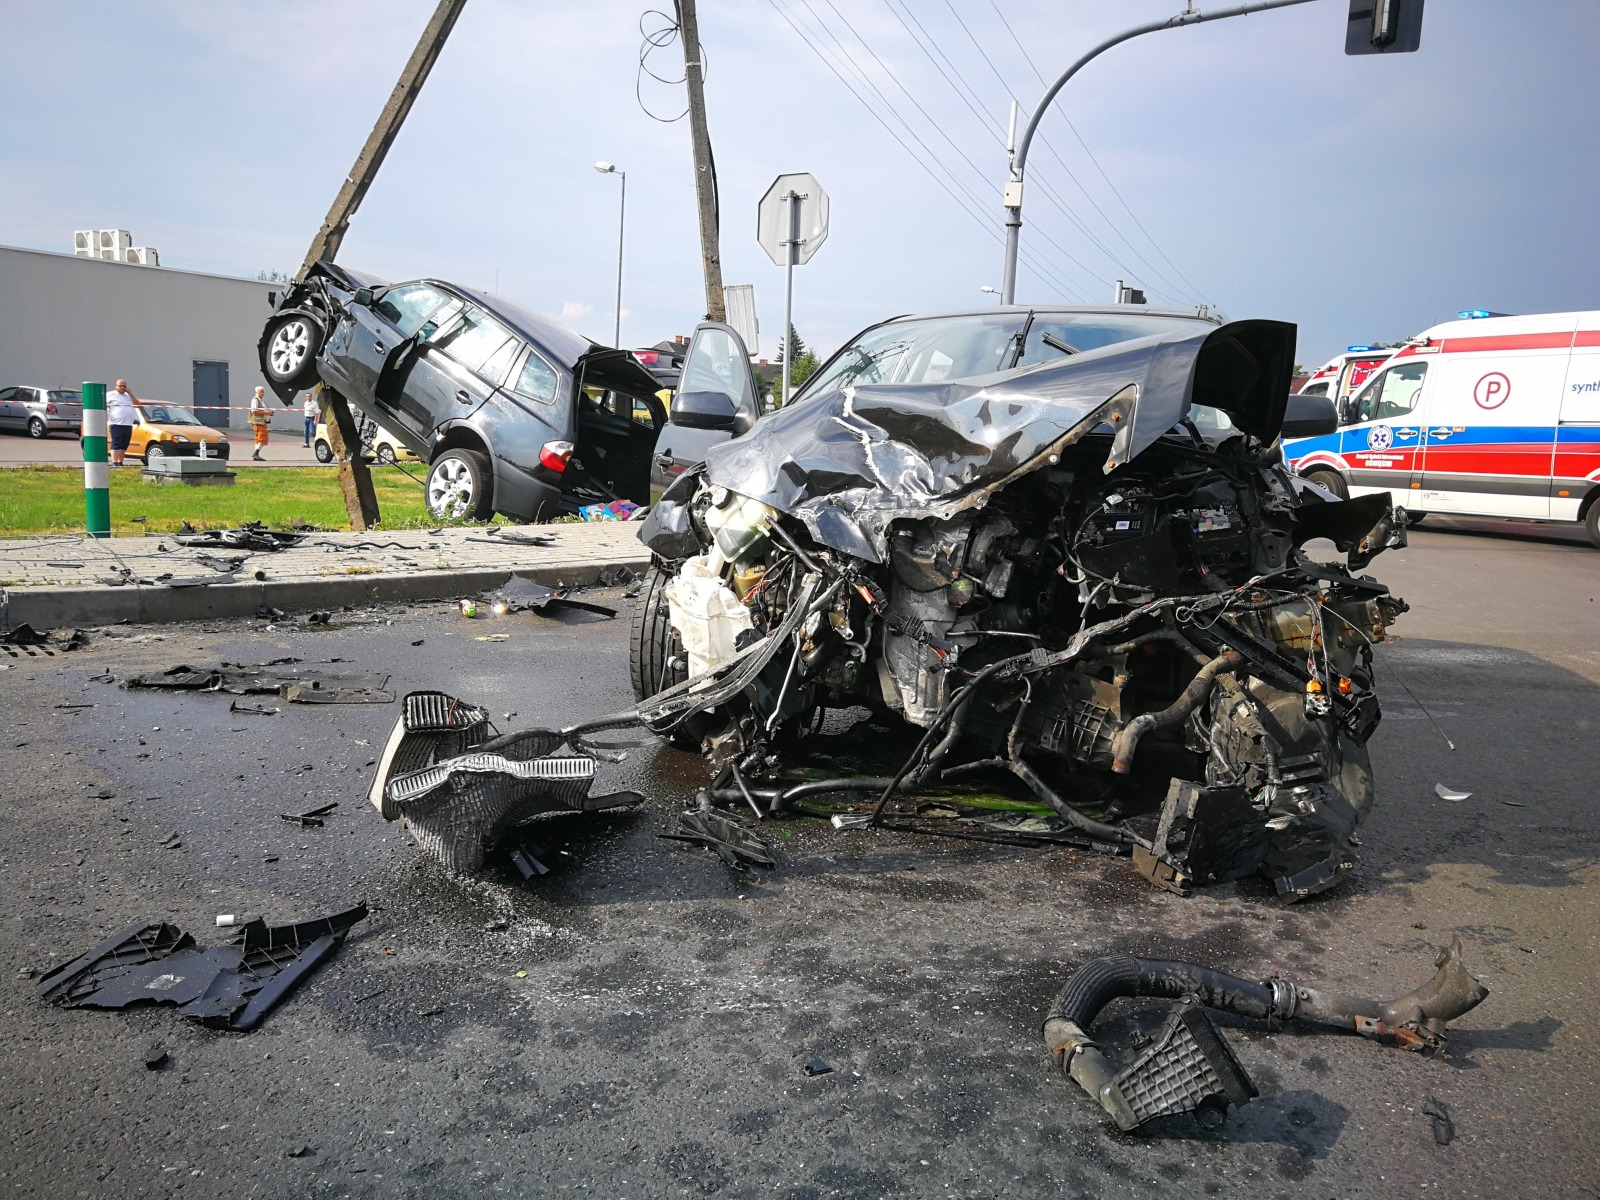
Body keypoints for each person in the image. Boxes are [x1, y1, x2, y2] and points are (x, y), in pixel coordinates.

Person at [106, 379, 139, 466]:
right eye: (120, 386)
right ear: (116, 386)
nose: (122, 388)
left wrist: (131, 394)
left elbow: (138, 405)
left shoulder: (128, 396)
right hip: (116, 423)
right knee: (116, 442)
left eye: (124, 386)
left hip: (128, 424)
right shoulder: (110, 395)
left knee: (124, 443)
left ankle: (120, 462)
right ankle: (114, 462)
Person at [248, 386, 271, 461]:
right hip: (258, 421)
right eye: (260, 391)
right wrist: (265, 412)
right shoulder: (255, 400)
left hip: (262, 421)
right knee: (262, 438)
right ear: (256, 392)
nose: (262, 393)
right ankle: (256, 453)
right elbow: (254, 411)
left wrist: (270, 413)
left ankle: (256, 455)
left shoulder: (262, 400)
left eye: (263, 391)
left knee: (258, 438)